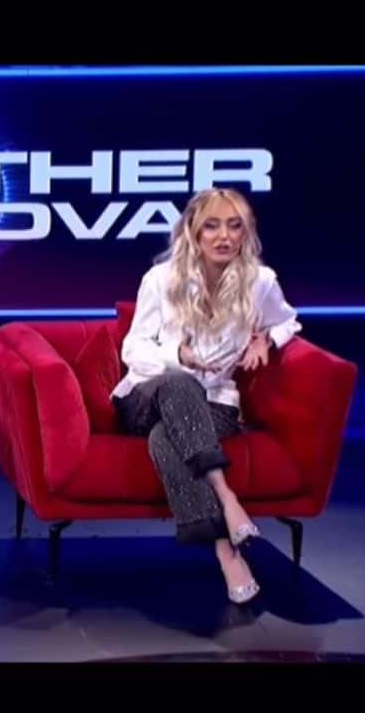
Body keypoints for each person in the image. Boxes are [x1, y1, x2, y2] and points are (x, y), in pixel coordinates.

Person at [112, 187, 301, 604]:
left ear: (246, 233)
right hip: (146, 396)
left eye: (235, 226)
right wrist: (176, 356)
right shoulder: (161, 280)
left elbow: (289, 321)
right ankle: (227, 497)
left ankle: (224, 549)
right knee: (180, 384)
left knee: (166, 439)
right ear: (193, 233)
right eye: (212, 226)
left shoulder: (260, 282)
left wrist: (266, 339)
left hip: (214, 401)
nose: (224, 237)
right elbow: (132, 349)